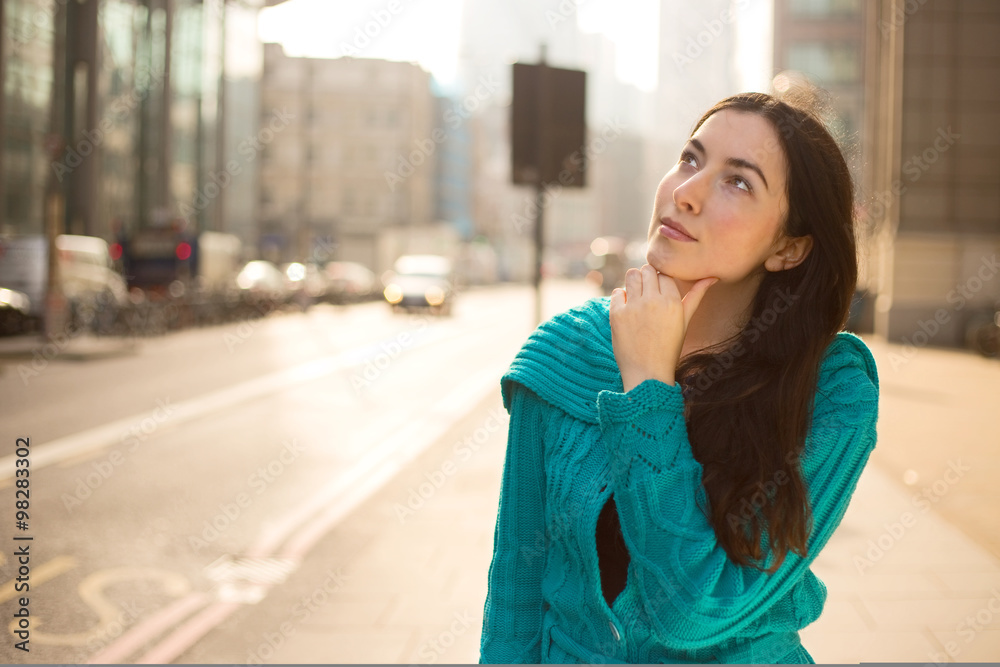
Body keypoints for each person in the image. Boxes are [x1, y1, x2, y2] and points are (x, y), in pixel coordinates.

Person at [478, 91, 880, 664]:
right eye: (691, 159)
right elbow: (515, 596)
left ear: (789, 248)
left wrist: (648, 384)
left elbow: (693, 612)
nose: (686, 192)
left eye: (738, 182)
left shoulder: (831, 391)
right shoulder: (564, 353)